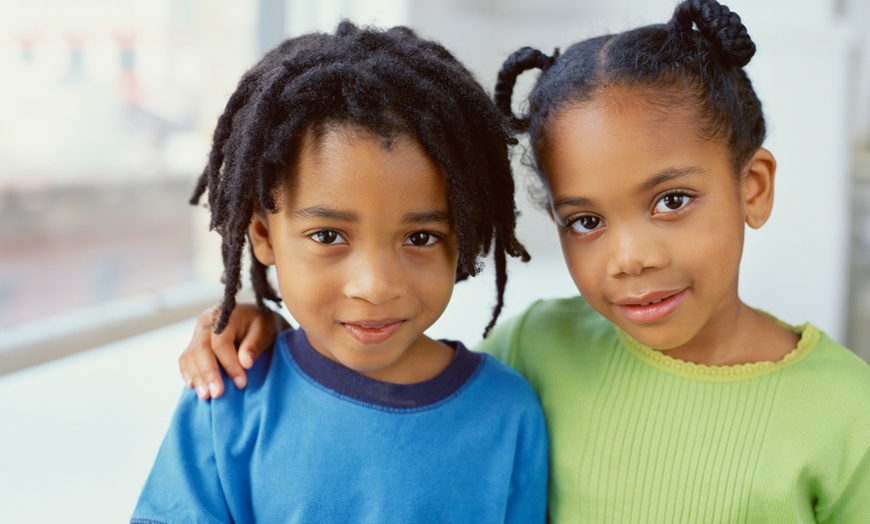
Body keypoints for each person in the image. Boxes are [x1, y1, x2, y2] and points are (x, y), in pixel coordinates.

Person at [178, 1, 870, 521]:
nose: (630, 257)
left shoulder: (847, 412)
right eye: (587, 221)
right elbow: (394, 381)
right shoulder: (541, 345)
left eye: (673, 200)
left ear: (752, 187)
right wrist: (258, 321)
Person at [132, 21, 548, 523]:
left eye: (420, 238)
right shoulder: (228, 400)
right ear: (263, 236)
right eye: (328, 236)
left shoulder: (509, 414)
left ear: (464, 235)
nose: (374, 287)